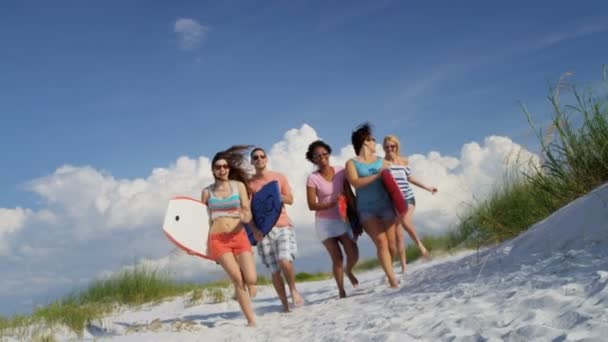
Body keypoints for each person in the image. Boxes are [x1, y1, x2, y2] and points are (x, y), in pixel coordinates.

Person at [201, 145, 257, 327]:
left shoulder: (238, 186)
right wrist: (200, 247)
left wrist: (243, 216)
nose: (222, 169)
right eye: (218, 167)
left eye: (225, 166)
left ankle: (246, 282)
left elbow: (248, 213)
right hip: (218, 239)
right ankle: (250, 320)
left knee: (251, 279)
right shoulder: (206, 192)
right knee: (238, 280)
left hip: (239, 235)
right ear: (213, 170)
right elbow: (200, 220)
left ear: (229, 168)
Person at [345, 123, 399, 288]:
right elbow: (355, 182)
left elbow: (392, 180)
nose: (375, 141)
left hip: (386, 206)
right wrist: (377, 176)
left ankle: (388, 268)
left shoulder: (381, 161)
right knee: (381, 243)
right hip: (366, 210)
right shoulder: (352, 163)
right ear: (365, 141)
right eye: (372, 139)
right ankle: (392, 281)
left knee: (391, 245)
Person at [249, 147, 303, 312]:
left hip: (282, 224)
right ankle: (285, 305)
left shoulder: (279, 177)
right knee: (274, 270)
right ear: (252, 161)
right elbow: (247, 209)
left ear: (266, 159)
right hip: (262, 230)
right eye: (255, 157)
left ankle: (293, 289)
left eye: (261, 156)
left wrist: (274, 195)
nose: (259, 159)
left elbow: (291, 199)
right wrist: (254, 230)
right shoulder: (249, 183)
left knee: (283, 259)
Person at [305, 140, 360, 298]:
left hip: (342, 219)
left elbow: (349, 192)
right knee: (337, 257)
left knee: (353, 252)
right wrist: (330, 204)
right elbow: (311, 205)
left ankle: (348, 270)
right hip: (324, 223)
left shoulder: (341, 171)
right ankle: (341, 290)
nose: (322, 157)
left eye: (324, 154)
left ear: (328, 154)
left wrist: (356, 212)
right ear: (313, 159)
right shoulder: (312, 178)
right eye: (317, 156)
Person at [383, 135, 437, 273]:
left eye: (392, 146)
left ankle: (421, 248)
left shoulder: (404, 161)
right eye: (387, 146)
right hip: (394, 202)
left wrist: (428, 188)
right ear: (384, 148)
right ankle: (404, 267)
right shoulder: (382, 163)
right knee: (398, 235)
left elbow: (411, 178)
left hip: (408, 198)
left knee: (406, 222)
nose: (390, 149)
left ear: (396, 147)